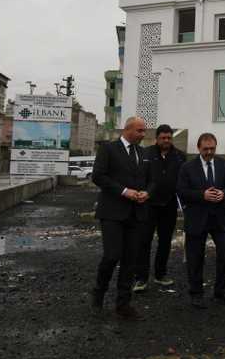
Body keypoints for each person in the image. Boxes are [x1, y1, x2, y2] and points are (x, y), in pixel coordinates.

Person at [90, 116, 149, 321]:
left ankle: (123, 304)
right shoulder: (108, 149)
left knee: (130, 261)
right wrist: (124, 191)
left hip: (136, 214)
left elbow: (149, 180)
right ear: (128, 129)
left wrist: (146, 192)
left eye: (144, 131)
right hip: (113, 213)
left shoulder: (142, 153)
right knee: (112, 255)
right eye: (140, 131)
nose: (143, 135)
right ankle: (99, 291)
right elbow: (98, 176)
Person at [176, 133, 225, 309]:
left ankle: (221, 291)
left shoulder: (224, 165)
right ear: (198, 148)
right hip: (197, 218)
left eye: (212, 148)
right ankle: (196, 293)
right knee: (195, 257)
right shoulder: (187, 167)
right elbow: (181, 191)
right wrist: (201, 195)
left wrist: (223, 193)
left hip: (220, 218)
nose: (209, 152)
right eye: (206, 149)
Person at [133, 124, 187, 292]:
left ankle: (160, 274)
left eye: (169, 138)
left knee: (165, 242)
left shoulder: (180, 156)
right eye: (163, 138)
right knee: (144, 241)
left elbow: (183, 180)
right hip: (148, 205)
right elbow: (140, 177)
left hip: (169, 205)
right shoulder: (145, 153)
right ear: (157, 138)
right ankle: (141, 278)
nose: (166, 141)